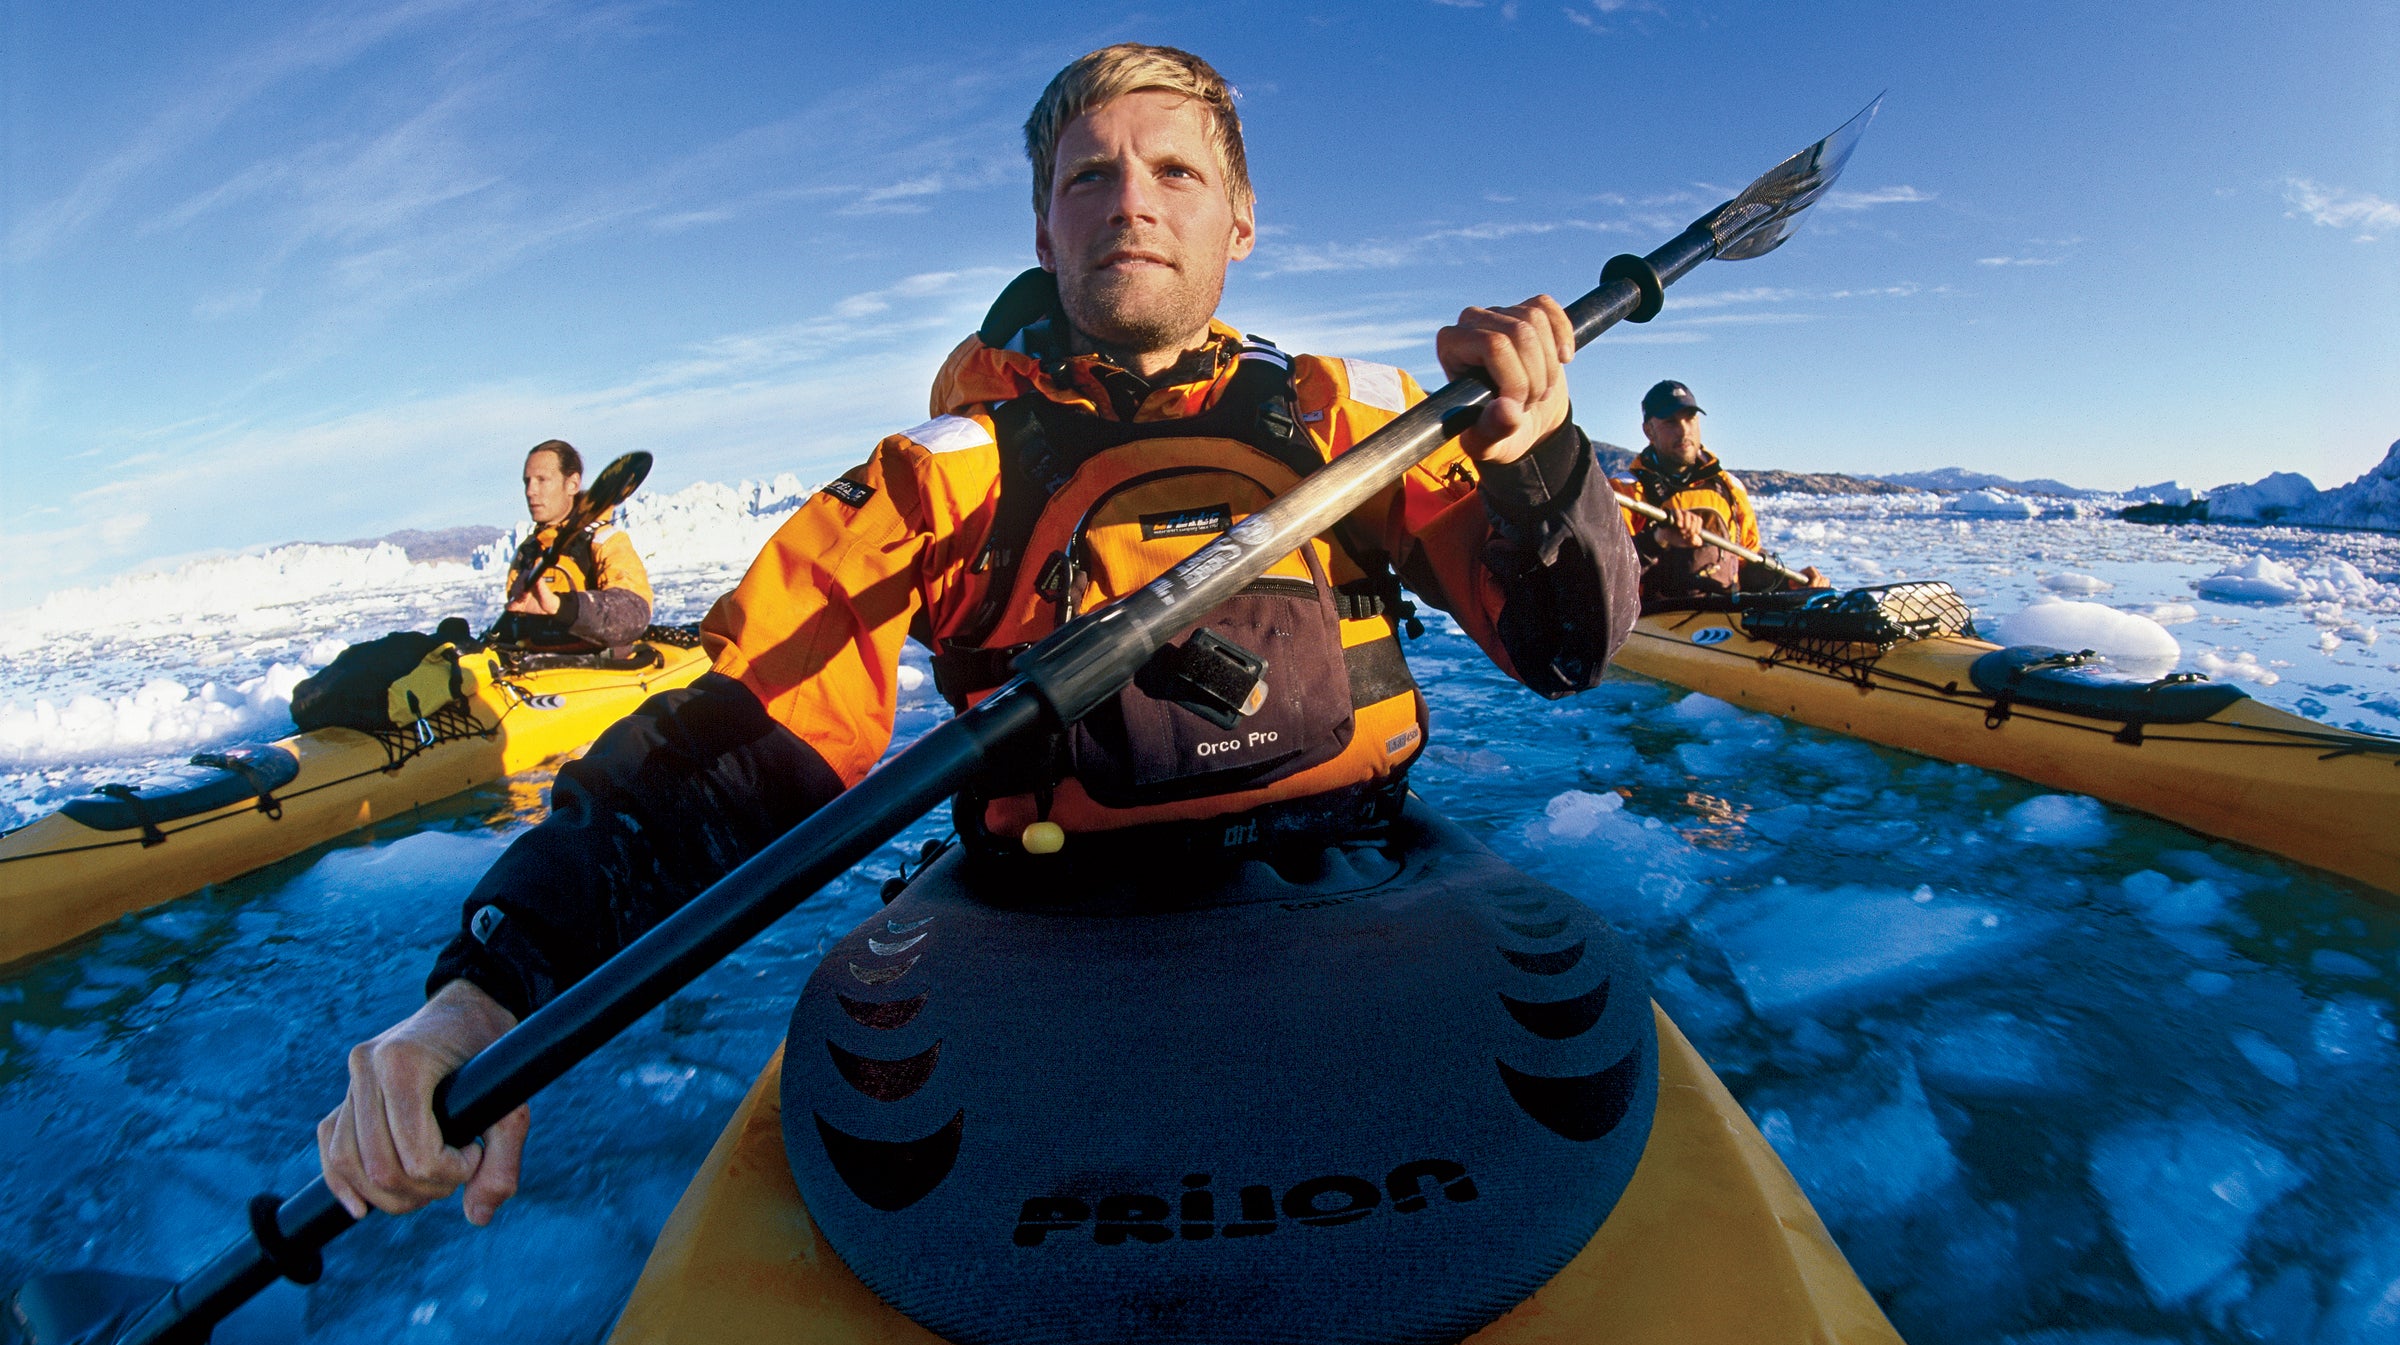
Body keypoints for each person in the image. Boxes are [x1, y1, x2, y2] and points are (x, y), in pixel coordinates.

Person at [315, 44, 1639, 1227]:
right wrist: (488, 987)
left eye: (1175, 170)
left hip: (1372, 894)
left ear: (1241, 216)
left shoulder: (1369, 420)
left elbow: (1567, 650)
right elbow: (743, 729)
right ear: (1045, 227)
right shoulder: (945, 475)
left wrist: (1541, 461)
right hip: (1052, 935)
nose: (1130, 198)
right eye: (1087, 178)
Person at [1615, 380, 1827, 603]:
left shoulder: (1730, 487)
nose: (1684, 431)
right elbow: (1609, 573)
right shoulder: (1625, 491)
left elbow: (1746, 561)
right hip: (1656, 623)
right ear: (1649, 430)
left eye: (1690, 418)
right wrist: (1659, 539)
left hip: (1724, 618)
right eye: (1670, 422)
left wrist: (1789, 582)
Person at [497, 439, 656, 651]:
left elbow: (633, 613)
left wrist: (558, 606)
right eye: (527, 481)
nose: (530, 491)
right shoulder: (529, 551)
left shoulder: (604, 540)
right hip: (537, 669)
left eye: (542, 480)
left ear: (572, 484)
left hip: (596, 671)